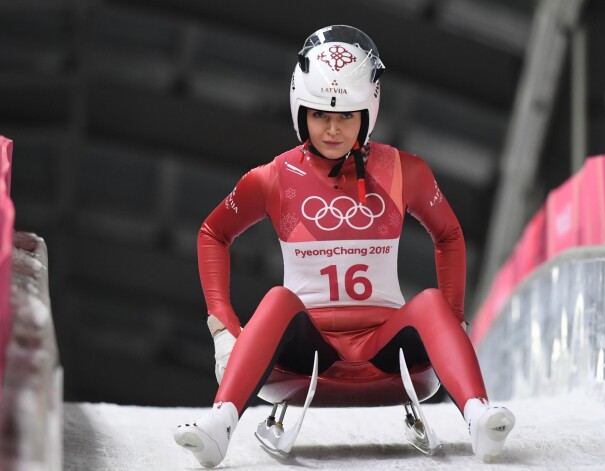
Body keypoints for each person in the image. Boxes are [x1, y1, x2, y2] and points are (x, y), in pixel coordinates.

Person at [173, 25, 515, 468]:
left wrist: (453, 323)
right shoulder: (272, 178)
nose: (332, 129)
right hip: (307, 350)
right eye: (320, 115)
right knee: (278, 298)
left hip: (387, 350)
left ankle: (479, 418)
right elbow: (212, 234)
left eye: (346, 116)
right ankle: (220, 424)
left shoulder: (403, 171)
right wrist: (223, 330)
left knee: (430, 302)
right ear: (301, 111)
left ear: (367, 114)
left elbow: (448, 234)